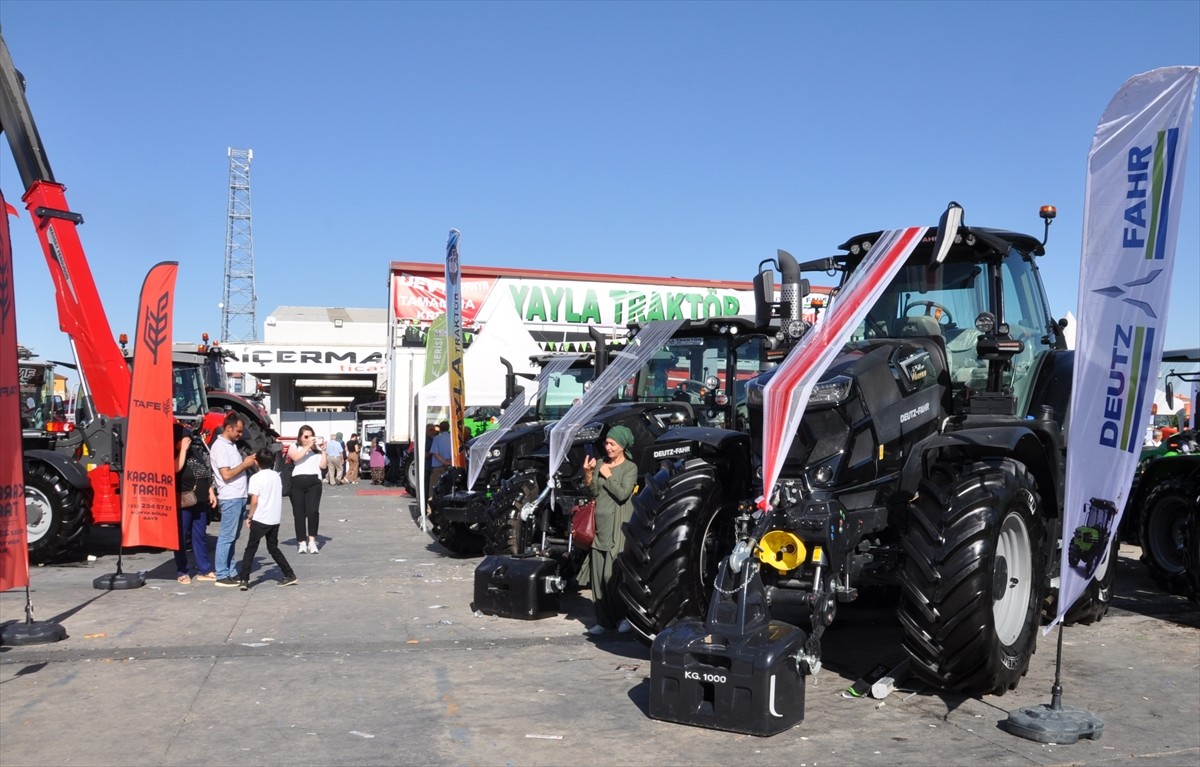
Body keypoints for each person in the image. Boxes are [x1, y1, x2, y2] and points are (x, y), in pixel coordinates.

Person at [581, 425, 637, 635]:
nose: (608, 447)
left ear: (622, 446)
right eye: (606, 443)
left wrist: (608, 475)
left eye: (612, 444)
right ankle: (603, 621)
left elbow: (623, 494)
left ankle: (623, 617)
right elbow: (593, 491)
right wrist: (588, 473)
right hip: (600, 527)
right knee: (598, 577)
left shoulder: (630, 468)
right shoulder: (601, 464)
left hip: (619, 527)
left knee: (613, 576)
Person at [236, 449, 297, 589]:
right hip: (274, 518)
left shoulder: (255, 478)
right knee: (273, 547)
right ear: (273, 462)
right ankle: (289, 574)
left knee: (250, 548)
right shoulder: (276, 476)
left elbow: (254, 501)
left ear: (256, 462)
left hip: (260, 517)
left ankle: (244, 579)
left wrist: (249, 516)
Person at [210, 412, 259, 587]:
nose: (240, 434)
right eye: (238, 431)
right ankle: (222, 573)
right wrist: (245, 464)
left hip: (238, 496)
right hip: (230, 497)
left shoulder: (230, 445)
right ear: (228, 428)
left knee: (233, 536)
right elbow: (226, 474)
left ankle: (230, 571)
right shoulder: (221, 447)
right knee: (226, 537)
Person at [172, 423, 216, 584]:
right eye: (184, 437)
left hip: (200, 500)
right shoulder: (175, 453)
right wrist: (182, 449)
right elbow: (175, 469)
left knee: (200, 536)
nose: (188, 440)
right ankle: (182, 571)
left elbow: (203, 473)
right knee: (181, 538)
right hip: (184, 502)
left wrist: (210, 491)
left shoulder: (194, 452)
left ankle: (204, 569)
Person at [287, 425, 327, 554]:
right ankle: (301, 542)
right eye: (306, 436)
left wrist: (323, 451)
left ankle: (312, 541)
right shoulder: (295, 447)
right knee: (299, 513)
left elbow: (323, 465)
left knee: (313, 511)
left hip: (314, 481)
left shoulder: (316, 450)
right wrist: (308, 446)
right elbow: (296, 458)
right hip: (297, 481)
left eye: (311, 436)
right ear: (300, 437)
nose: (309, 439)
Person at [428, 420, 454, 500]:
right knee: (447, 489)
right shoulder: (453, 438)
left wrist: (444, 462)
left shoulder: (437, 438)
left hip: (438, 467)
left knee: (433, 489)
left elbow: (435, 454)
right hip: (451, 467)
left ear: (440, 429)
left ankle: (431, 509)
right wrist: (449, 462)